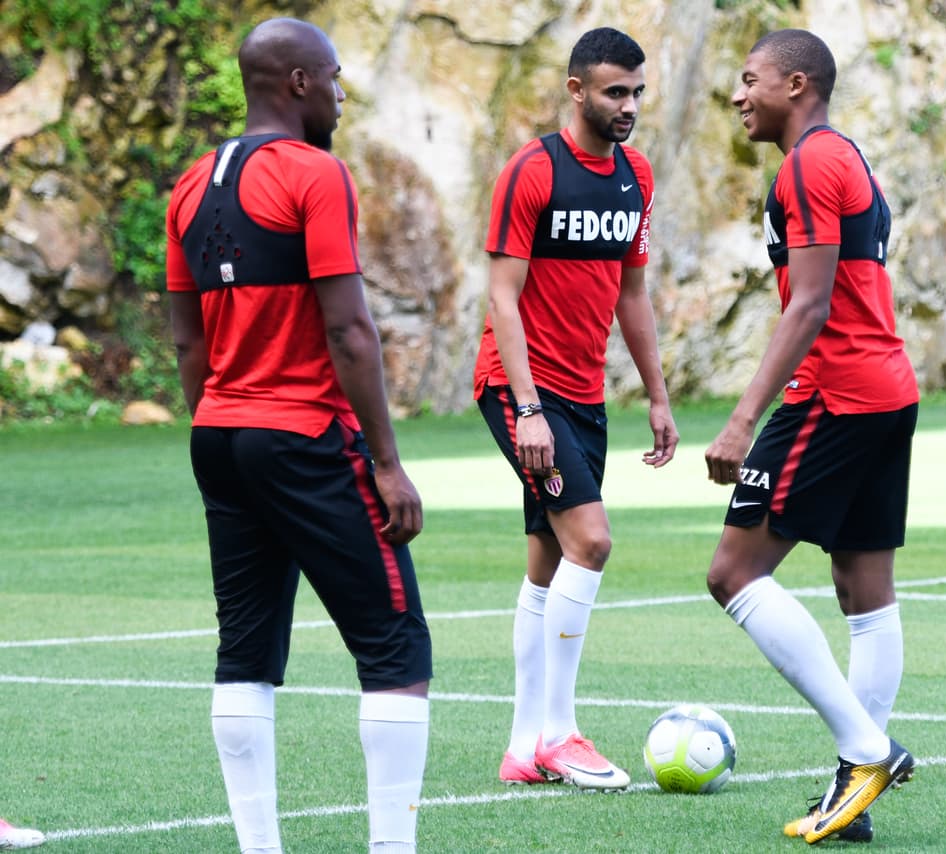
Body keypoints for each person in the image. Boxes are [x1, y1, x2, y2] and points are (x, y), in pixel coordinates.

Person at [166, 18, 432, 854]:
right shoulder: (316, 175)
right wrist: (386, 463)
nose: (345, 95)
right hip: (305, 436)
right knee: (396, 652)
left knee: (244, 651)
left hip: (220, 435)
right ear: (300, 84)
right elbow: (350, 329)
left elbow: (186, 344)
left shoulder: (187, 183)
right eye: (337, 78)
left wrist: (221, 416)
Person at [704, 29, 917, 845]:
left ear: (797, 85)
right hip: (886, 390)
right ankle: (854, 784)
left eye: (750, 79)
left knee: (733, 573)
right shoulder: (842, 157)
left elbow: (812, 303)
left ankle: (866, 750)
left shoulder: (810, 164)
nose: (738, 95)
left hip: (835, 393)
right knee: (866, 592)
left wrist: (741, 418)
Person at [474, 26, 678, 791]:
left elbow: (632, 293)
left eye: (636, 92)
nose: (627, 106)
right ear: (576, 91)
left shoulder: (638, 175)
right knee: (591, 542)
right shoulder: (531, 172)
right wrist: (527, 408)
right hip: (521, 389)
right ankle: (560, 732)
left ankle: (523, 747)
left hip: (586, 395)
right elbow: (502, 293)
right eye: (613, 92)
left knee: (549, 561)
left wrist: (656, 396)